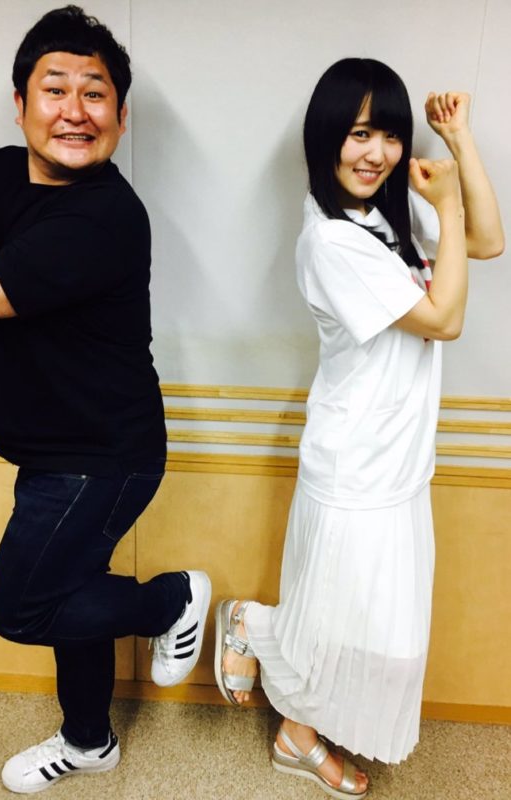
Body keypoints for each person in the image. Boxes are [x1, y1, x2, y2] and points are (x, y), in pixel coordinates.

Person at [0, 6, 211, 794]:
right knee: (70, 592)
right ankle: (89, 740)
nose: (74, 110)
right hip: (54, 450)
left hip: (102, 457)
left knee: (22, 609)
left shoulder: (105, 215)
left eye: (94, 94)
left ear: (120, 118)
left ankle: (171, 601)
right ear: (20, 104)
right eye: (54, 89)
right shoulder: (0, 174)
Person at [214, 58, 503, 798]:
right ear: (326, 138)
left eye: (391, 136)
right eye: (359, 133)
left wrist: (460, 140)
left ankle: (277, 682)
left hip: (398, 458)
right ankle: (274, 680)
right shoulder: (331, 242)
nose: (377, 153)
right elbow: (444, 318)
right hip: (353, 462)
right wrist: (444, 207)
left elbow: (486, 242)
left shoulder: (386, 219)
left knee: (374, 629)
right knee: (342, 622)